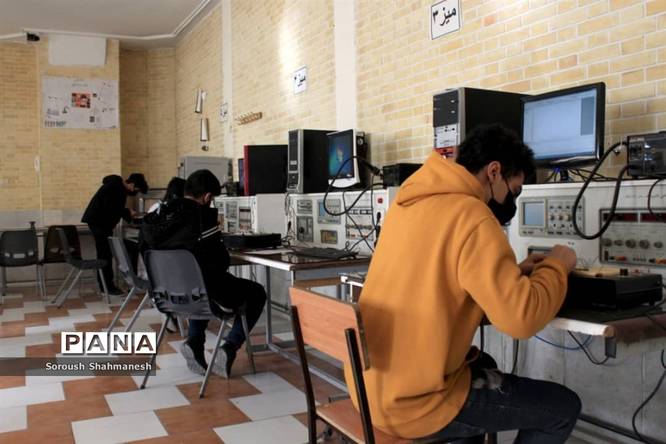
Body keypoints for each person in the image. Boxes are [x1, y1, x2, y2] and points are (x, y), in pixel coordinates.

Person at [345, 124, 580, 443]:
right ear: (494, 172)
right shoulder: (474, 216)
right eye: (514, 190)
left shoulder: (408, 202)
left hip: (369, 387)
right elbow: (521, 319)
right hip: (414, 403)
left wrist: (513, 273)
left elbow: (439, 275)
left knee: (485, 363)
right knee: (562, 408)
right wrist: (557, 265)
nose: (511, 201)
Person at [140, 169, 266, 377]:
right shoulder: (202, 216)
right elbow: (220, 261)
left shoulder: (157, 216)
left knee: (200, 287)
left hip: (164, 294)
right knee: (256, 293)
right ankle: (230, 346)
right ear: (207, 197)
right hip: (200, 292)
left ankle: (195, 341)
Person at [82, 172, 148, 295]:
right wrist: (128, 212)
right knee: (105, 255)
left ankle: (105, 285)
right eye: (136, 190)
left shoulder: (115, 186)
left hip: (97, 223)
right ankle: (107, 287)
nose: (134, 193)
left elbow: (112, 207)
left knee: (104, 254)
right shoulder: (117, 188)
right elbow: (111, 208)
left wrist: (126, 213)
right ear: (132, 184)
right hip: (100, 224)